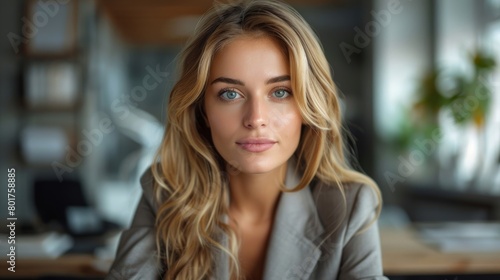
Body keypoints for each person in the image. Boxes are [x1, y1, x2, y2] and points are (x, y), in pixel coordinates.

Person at [106, 0, 388, 279]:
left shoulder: (349, 206)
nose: (256, 118)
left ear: (308, 106)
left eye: (280, 92)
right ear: (202, 110)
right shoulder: (165, 195)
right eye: (230, 93)